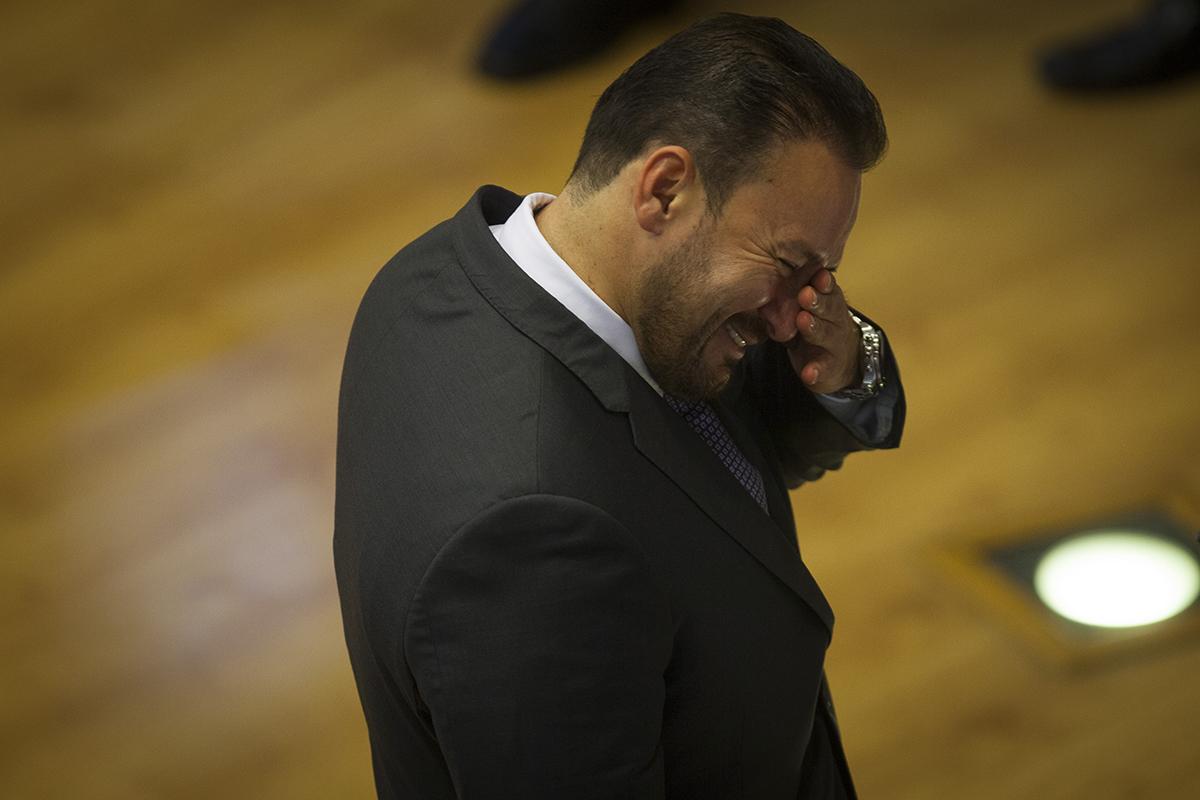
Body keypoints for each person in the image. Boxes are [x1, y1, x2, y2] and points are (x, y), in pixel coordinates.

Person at [335, 13, 905, 799]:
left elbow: (717, 470)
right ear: (665, 188)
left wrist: (847, 369)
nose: (789, 318)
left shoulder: (442, 271)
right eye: (787, 263)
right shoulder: (536, 544)